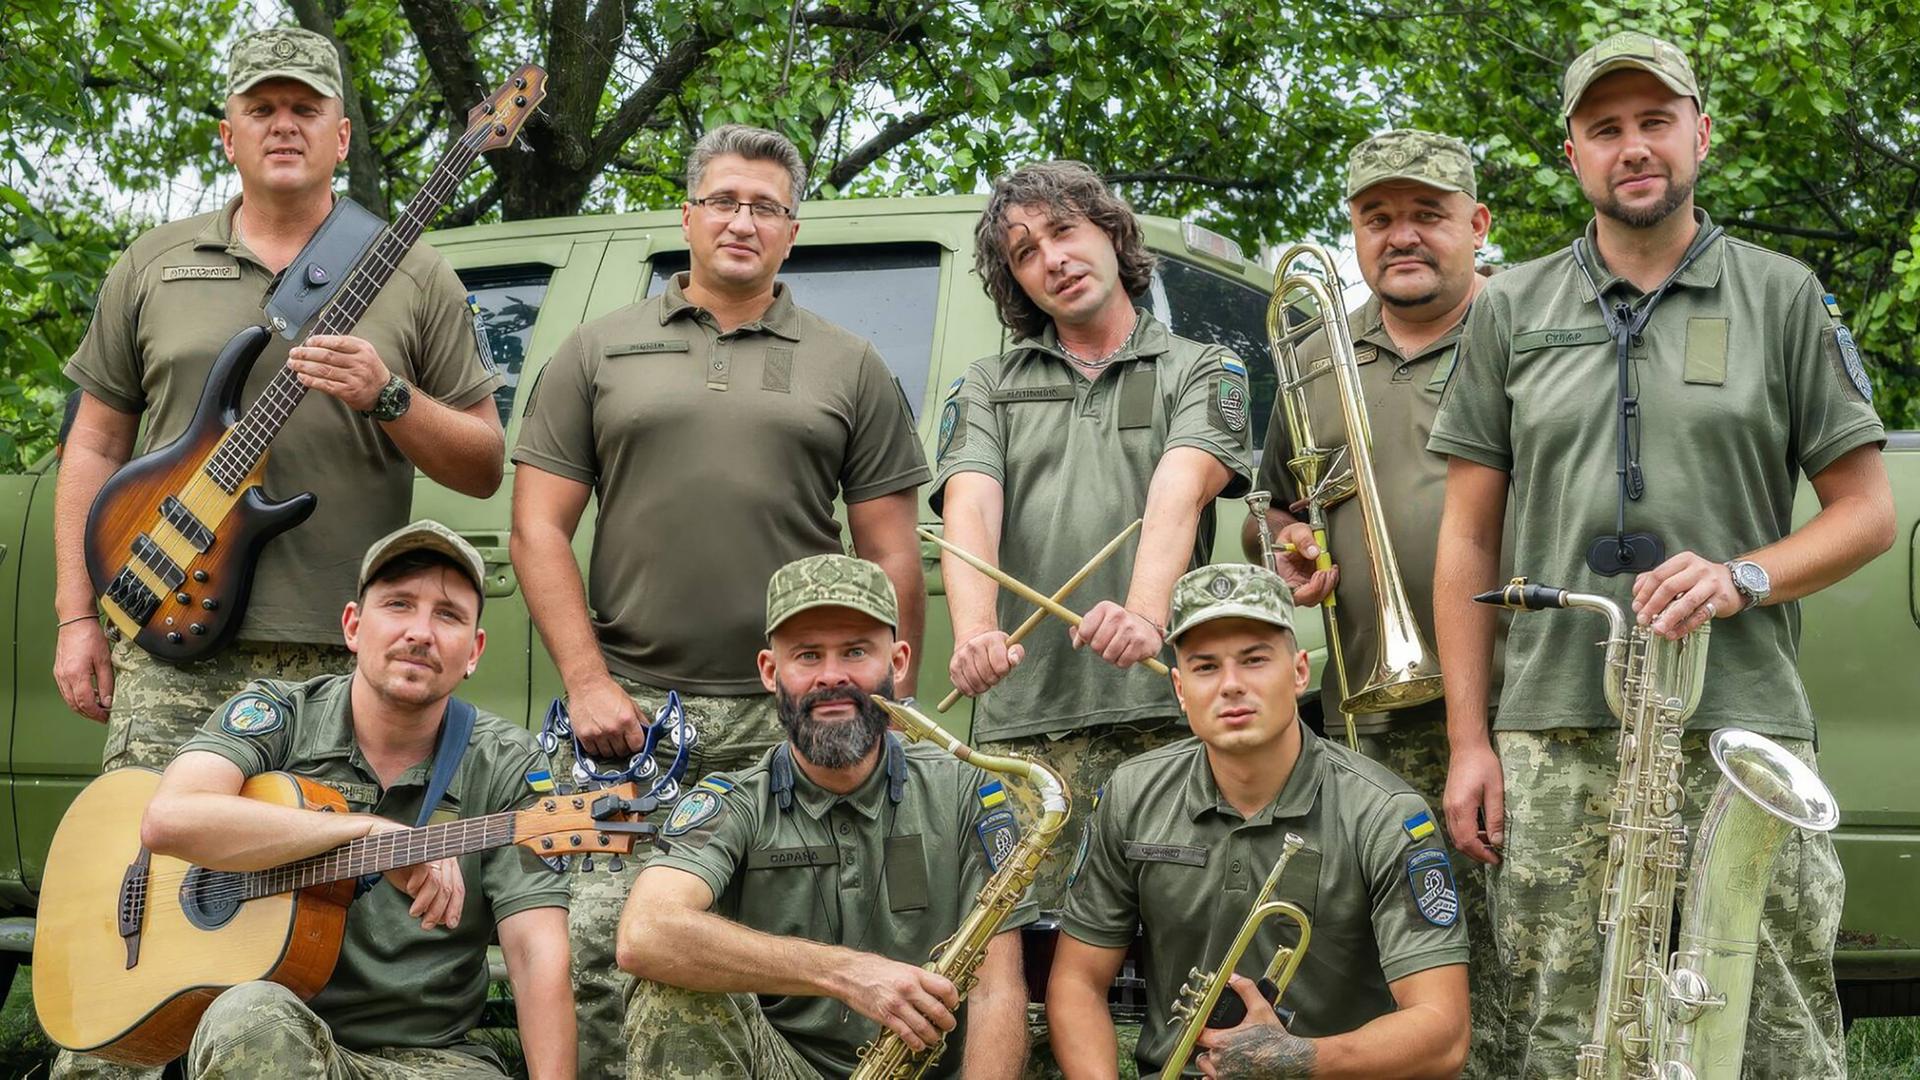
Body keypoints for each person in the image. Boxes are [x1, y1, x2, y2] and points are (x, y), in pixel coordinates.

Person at [1428, 31, 1894, 1078]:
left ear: (1701, 134)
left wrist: (1743, 576)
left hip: (1738, 724)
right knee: (1559, 1036)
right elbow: (1467, 535)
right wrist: (1471, 740)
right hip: (1551, 727)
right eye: (1605, 129)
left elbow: (1865, 512)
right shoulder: (1508, 307)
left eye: (1654, 122)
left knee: (1767, 1029)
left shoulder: (1781, 295)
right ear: (1572, 156)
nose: (1633, 147)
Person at [49, 27, 504, 1079]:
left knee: (306, 934)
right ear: (230, 133)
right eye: (263, 107)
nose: (284, 123)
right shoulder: (154, 264)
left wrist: (388, 395)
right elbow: (94, 444)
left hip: (340, 669)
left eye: (305, 107)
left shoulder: (415, 273)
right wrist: (79, 617)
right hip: (170, 652)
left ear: (342, 135)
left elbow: (483, 461)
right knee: (137, 914)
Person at [510, 123, 930, 1072]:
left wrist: (885, 702)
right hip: (631, 719)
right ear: (689, 215)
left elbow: (890, 548)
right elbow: (537, 528)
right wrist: (586, 683)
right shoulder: (598, 350)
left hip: (800, 714)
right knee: (609, 949)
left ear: (792, 231)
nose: (744, 221)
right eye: (726, 201)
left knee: (785, 941)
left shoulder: (850, 364)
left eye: (768, 208)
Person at [1244, 128, 1508, 1075]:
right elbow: (1276, 508)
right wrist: (1289, 551)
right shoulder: (1313, 358)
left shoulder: (1520, 331)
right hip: (1377, 710)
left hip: (1520, 699)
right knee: (1402, 958)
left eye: (1428, 215)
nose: (1402, 236)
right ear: (1353, 234)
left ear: (1476, 225)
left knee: (1523, 959)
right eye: (1377, 217)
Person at [136, 521, 573, 1078]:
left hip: (434, 1060)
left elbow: (538, 955)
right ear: (352, 625)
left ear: (474, 652)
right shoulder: (282, 716)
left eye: (449, 615)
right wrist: (366, 831)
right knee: (247, 1017)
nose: (421, 632)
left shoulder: (508, 762)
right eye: (398, 604)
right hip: (280, 1038)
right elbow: (170, 818)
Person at [934, 160, 1253, 911]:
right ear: (1016, 281)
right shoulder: (987, 385)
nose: (1053, 259)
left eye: (1065, 231)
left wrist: (1145, 613)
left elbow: (1180, 489)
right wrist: (976, 634)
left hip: (1169, 715)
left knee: (1180, 948)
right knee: (1029, 952)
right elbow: (970, 509)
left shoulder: (1203, 367)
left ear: (1111, 233)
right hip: (1023, 731)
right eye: (1025, 253)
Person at [614, 554, 1033, 1079]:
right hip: (783, 1068)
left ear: (898, 663)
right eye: (808, 655)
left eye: (856, 651)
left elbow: (997, 990)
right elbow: (645, 932)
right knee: (669, 990)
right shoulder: (738, 800)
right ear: (771, 672)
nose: (831, 677)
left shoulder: (966, 788)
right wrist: (846, 973)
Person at [1047, 564, 1469, 1079]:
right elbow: (1077, 984)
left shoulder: (1384, 812)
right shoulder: (1132, 794)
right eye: (1205, 667)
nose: (1230, 685)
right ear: (1180, 688)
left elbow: (1443, 1033)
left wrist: (1301, 1059)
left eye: (1253, 661)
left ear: (1298, 672)